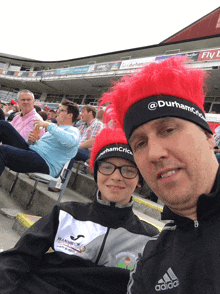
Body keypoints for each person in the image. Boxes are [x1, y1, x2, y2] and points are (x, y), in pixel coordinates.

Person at [99, 56, 220, 293]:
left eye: (168, 130)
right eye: (140, 143)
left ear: (208, 137)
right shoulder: (151, 262)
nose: (154, 153)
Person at [0, 127, 158, 294]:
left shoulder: (149, 238)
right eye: (107, 167)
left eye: (128, 170)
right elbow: (17, 258)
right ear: (95, 172)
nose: (116, 176)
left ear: (140, 180)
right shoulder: (66, 213)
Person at [0, 99, 80, 178]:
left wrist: (48, 125)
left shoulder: (73, 131)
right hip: (33, 152)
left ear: (70, 115)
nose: (57, 112)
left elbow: (70, 141)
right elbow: (39, 146)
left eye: (61, 110)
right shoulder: (54, 129)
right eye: (58, 109)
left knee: (2, 150)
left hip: (46, 162)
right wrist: (31, 141)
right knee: (3, 125)